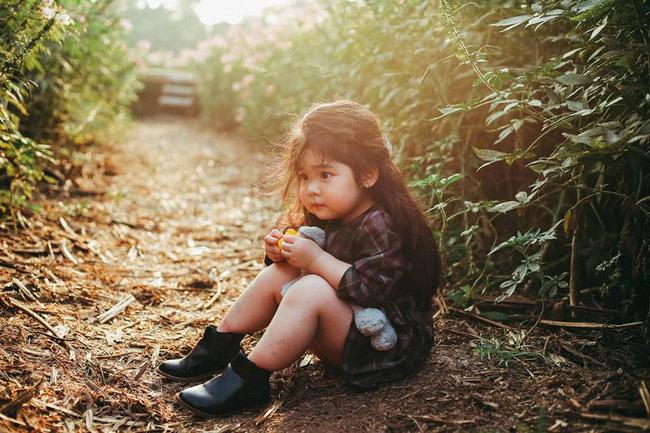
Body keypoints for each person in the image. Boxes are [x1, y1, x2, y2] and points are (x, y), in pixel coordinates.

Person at [157, 100, 441, 417]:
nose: (312, 189)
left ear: (368, 175)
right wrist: (280, 253)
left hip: (382, 348)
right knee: (280, 274)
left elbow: (370, 289)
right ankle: (220, 346)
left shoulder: (381, 225)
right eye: (305, 177)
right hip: (348, 331)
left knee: (311, 289)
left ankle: (251, 378)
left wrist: (315, 258)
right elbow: (304, 263)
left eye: (326, 174)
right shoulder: (332, 211)